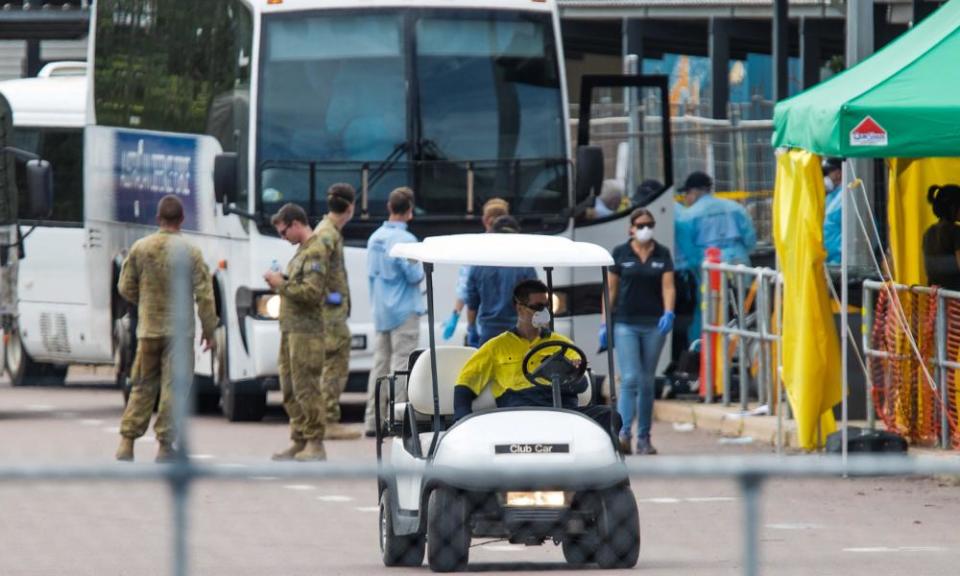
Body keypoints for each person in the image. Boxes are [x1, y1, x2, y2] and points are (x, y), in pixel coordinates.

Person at [115, 195, 218, 462]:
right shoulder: (190, 251)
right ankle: (164, 446)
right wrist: (210, 331)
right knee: (175, 387)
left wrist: (145, 300)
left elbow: (124, 287)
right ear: (181, 220)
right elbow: (205, 295)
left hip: (148, 330)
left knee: (142, 385)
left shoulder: (140, 248)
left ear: (158, 219)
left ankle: (127, 443)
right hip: (179, 333)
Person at [454, 279, 620, 435]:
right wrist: (463, 422)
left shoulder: (562, 344)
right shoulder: (496, 347)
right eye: (538, 307)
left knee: (610, 417)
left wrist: (572, 372)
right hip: (521, 412)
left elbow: (581, 385)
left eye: (546, 306)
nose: (544, 312)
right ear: (520, 308)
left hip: (563, 409)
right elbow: (466, 383)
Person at [601, 208, 675, 455]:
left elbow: (668, 287)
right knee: (630, 378)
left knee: (646, 381)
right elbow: (610, 290)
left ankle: (644, 437)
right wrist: (605, 322)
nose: (646, 228)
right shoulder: (621, 253)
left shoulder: (662, 253)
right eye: (641, 224)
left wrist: (668, 311)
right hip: (626, 322)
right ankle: (623, 434)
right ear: (631, 228)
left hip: (654, 323)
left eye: (650, 224)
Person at [267, 203, 330, 462]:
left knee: (306, 388)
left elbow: (312, 293)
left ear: (295, 224)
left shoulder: (315, 252)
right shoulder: (302, 251)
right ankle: (300, 439)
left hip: (307, 332)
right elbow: (299, 286)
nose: (283, 238)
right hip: (291, 329)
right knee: (290, 387)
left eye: (284, 232)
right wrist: (283, 281)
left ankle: (315, 443)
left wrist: (281, 285)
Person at [362, 187, 425, 436]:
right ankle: (396, 419)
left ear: (389, 207)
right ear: (409, 212)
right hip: (403, 311)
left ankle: (372, 421)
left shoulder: (374, 238)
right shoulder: (406, 241)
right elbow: (415, 275)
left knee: (379, 366)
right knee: (401, 367)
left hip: (381, 311)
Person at [674, 171, 755, 343]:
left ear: (694, 192)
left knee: (707, 309)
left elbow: (688, 248)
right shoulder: (735, 207)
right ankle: (742, 345)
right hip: (739, 260)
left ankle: (701, 348)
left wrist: (695, 266)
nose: (685, 199)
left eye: (685, 194)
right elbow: (750, 237)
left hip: (711, 264)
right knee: (743, 306)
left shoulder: (689, 215)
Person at [313, 183, 360, 441]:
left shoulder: (329, 232)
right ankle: (328, 420)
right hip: (330, 315)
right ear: (350, 207)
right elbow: (316, 276)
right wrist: (333, 298)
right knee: (334, 364)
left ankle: (325, 418)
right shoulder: (327, 235)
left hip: (332, 312)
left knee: (332, 364)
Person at [442, 198, 511, 341]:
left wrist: (457, 316)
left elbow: (466, 289)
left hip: (485, 326)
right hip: (514, 325)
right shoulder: (519, 247)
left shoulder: (475, 249)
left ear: (485, 220)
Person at [464, 215, 537, 346]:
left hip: (488, 334)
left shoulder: (478, 265)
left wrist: (471, 328)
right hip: (519, 332)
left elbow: (472, 304)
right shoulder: (525, 265)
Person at [923, 184, 960, 291]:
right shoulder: (956, 231)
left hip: (935, 299)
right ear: (953, 207)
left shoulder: (928, 232)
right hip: (955, 298)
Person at [822, 158, 844, 266]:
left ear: (838, 173)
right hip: (827, 262)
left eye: (827, 174)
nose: (824, 178)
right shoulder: (830, 196)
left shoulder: (846, 196)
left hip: (841, 263)